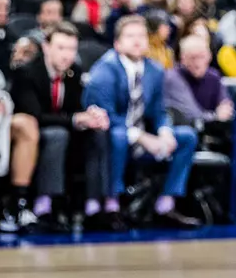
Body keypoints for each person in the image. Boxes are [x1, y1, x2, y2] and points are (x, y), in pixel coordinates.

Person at [82, 15, 200, 230]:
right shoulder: (105, 70)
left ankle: (166, 203)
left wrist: (164, 131)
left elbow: (159, 110)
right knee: (118, 136)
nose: (137, 41)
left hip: (141, 134)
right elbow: (106, 116)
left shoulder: (154, 70)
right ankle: (112, 204)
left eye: (141, 36)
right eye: (130, 36)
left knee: (186, 137)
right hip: (111, 136)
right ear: (117, 43)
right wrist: (141, 137)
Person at [4, 22, 100, 232]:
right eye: (61, 48)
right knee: (57, 135)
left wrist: (91, 116)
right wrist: (76, 119)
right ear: (46, 47)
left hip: (59, 128)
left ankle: (96, 204)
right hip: (26, 132)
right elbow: (35, 115)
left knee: (96, 133)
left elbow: (75, 108)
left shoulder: (74, 72)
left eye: (72, 49)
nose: (67, 55)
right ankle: (44, 205)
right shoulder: (27, 73)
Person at [163, 33, 235, 126]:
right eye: (192, 58)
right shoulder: (173, 77)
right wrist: (216, 116)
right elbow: (192, 114)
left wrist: (225, 108)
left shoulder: (214, 76)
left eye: (201, 57)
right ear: (183, 58)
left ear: (209, 56)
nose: (197, 63)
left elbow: (225, 102)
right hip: (185, 128)